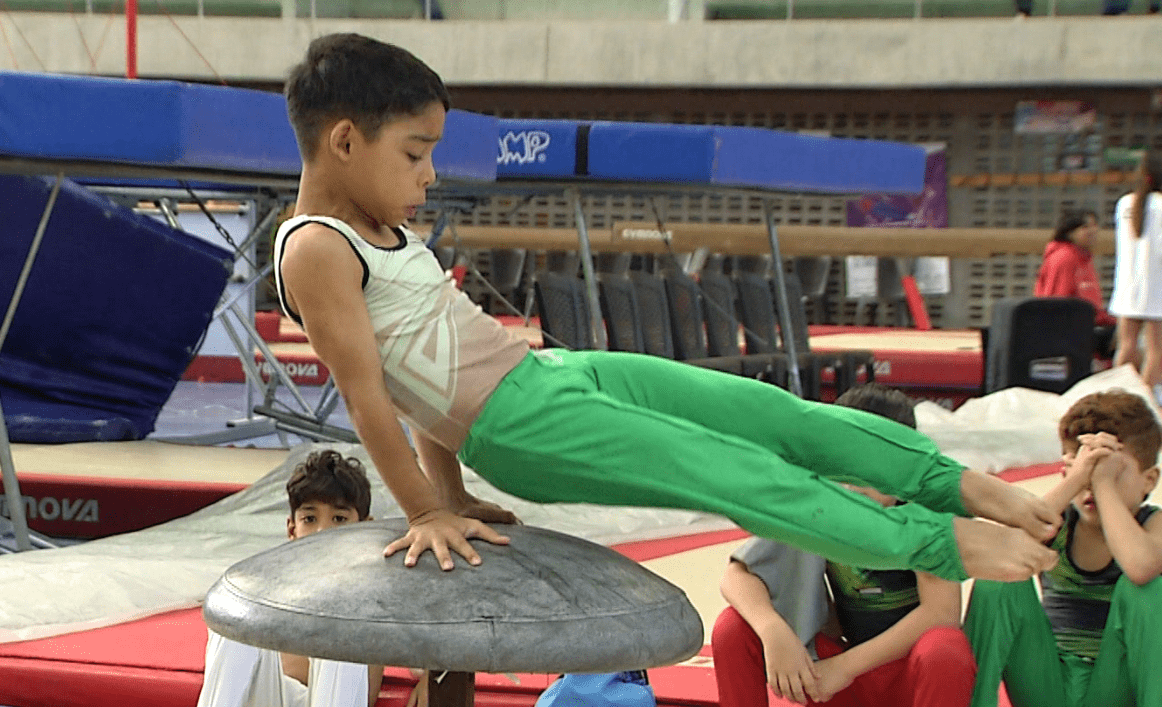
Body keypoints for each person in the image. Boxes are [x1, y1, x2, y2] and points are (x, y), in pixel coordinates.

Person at [274, 32, 1060, 586]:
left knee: (772, 415)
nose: (431, 175)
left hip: (547, 373)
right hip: (519, 427)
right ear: (345, 141)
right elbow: (369, 392)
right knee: (734, 471)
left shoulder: (379, 228)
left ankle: (957, 485)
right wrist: (423, 513)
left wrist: (448, 493)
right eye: (416, 153)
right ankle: (941, 543)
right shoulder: (315, 248)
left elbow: (416, 378)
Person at [712, 384, 976, 707]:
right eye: (844, 466)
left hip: (908, 677)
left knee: (944, 649)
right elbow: (736, 575)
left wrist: (845, 667)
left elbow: (942, 613)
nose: (854, 485)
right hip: (844, 678)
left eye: (871, 470)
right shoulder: (823, 501)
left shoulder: (927, 507)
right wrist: (773, 631)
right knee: (734, 627)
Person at [963, 390, 1162, 707]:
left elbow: (1141, 568)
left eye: (1113, 471)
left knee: (1151, 588)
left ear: (1149, 480)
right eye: (1088, 470)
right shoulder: (1057, 522)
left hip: (1113, 686)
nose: (1094, 484)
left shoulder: (1152, 524)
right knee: (998, 578)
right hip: (1048, 683)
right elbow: (997, 550)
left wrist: (1104, 486)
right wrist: (1077, 479)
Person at [197, 450, 412, 707]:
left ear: (365, 527)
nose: (323, 531)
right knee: (235, 617)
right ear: (292, 530)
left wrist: (431, 679)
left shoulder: (379, 593)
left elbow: (428, 641)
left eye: (339, 519)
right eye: (310, 519)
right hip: (273, 696)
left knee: (341, 619)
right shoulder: (271, 589)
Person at [1109, 152, 1162, 396]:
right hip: (1157, 286)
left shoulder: (1125, 204)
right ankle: (1146, 400)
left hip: (1128, 285)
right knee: (1157, 351)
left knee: (1127, 345)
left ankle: (1119, 395)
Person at [1034, 209, 1117, 358]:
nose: (1093, 230)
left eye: (1095, 225)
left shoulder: (1084, 259)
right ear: (1069, 232)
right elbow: (1057, 305)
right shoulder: (1064, 258)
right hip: (1071, 333)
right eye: (1085, 227)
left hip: (1090, 326)